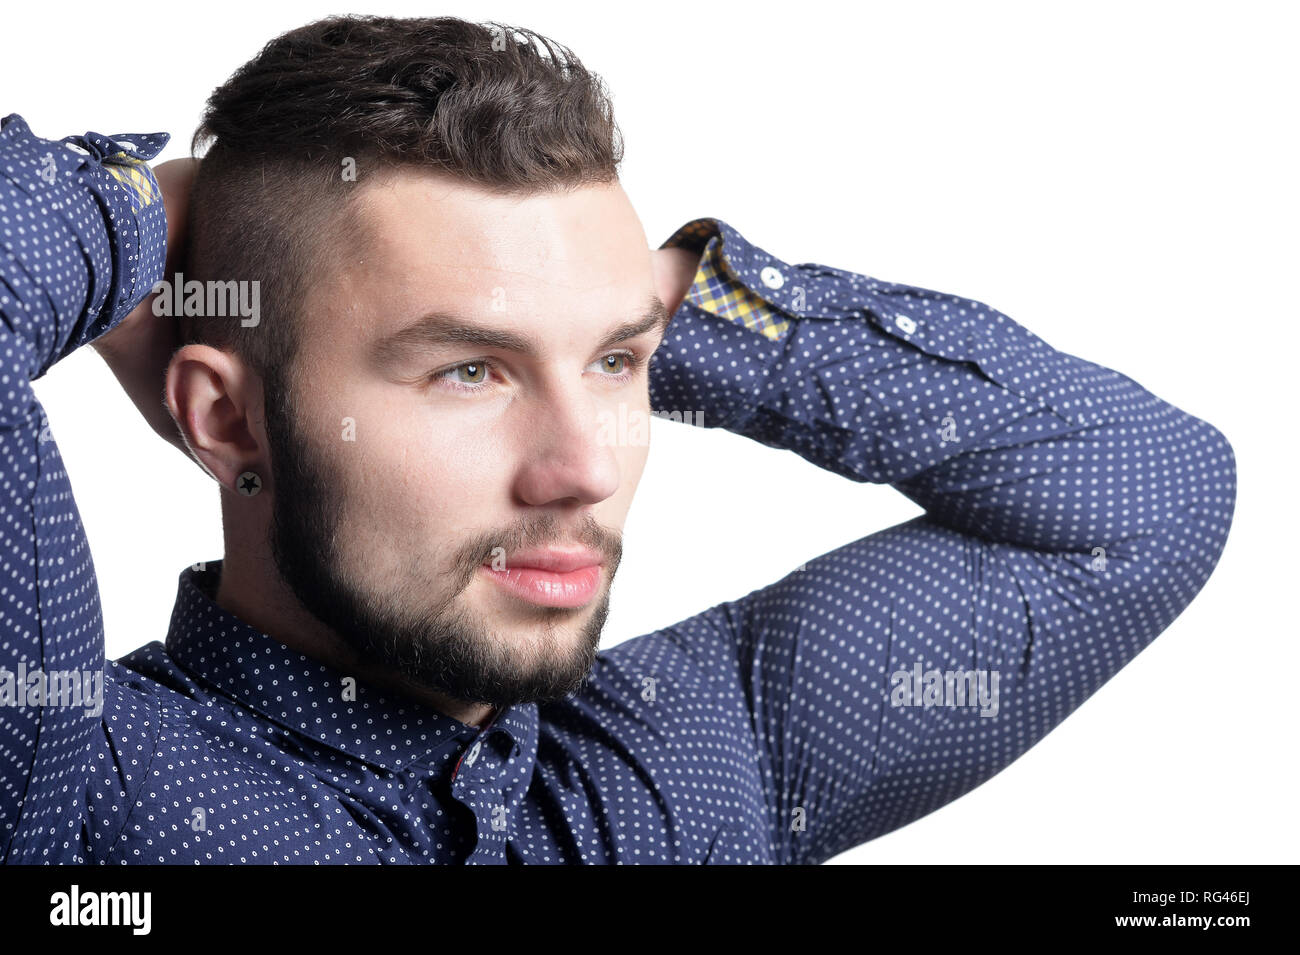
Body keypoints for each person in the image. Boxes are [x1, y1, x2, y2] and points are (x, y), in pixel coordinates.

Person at [0, 15, 1236, 865]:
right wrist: (144, 215)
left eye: (612, 367)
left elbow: (1142, 493)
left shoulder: (679, 775)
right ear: (226, 418)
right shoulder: (66, 788)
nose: (583, 467)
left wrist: (636, 303)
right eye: (468, 369)